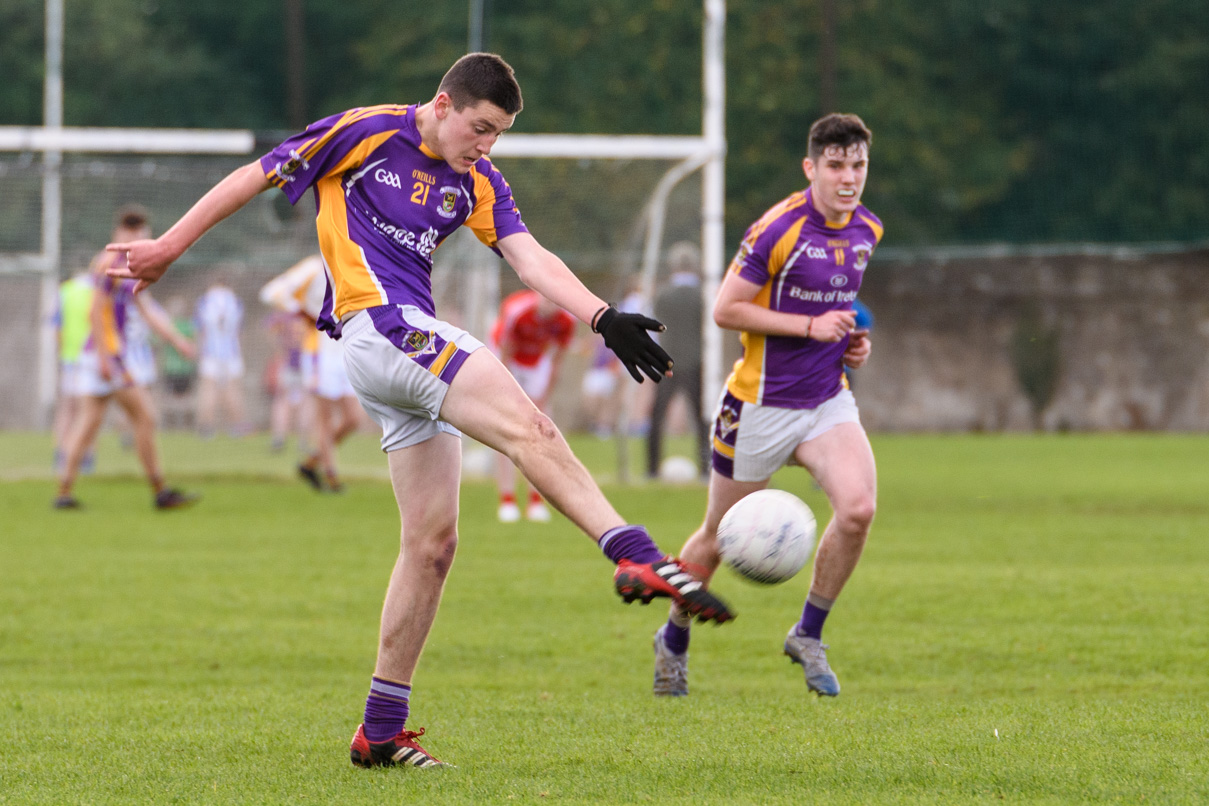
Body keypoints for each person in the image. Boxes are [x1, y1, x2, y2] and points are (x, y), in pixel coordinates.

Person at [106, 53, 734, 769]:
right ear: (442, 104)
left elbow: (529, 257)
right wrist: (168, 247)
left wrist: (600, 316)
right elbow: (256, 175)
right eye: (479, 127)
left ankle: (379, 728)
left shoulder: (478, 181)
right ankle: (633, 553)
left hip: (397, 356)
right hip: (380, 326)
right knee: (528, 426)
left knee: (432, 547)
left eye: (497, 134)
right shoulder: (366, 132)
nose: (485, 144)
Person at [650, 113, 881, 699]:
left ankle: (808, 633)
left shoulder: (867, 230)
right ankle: (673, 637)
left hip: (827, 400)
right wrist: (810, 325)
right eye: (835, 166)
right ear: (812, 168)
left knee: (857, 510)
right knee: (714, 537)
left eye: (857, 165)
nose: (848, 178)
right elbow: (726, 309)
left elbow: (840, 314)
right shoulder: (778, 228)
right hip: (758, 404)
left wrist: (853, 342)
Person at [54, 205, 199, 511]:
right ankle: (160, 490)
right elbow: (95, 310)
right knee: (145, 418)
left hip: (100, 355)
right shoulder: (108, 262)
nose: (137, 235)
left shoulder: (132, 265)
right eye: (131, 230)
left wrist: (177, 340)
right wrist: (107, 359)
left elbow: (145, 309)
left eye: (140, 230)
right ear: (120, 233)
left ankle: (64, 492)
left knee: (89, 422)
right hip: (107, 355)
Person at [260, 255, 364, 492]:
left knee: (353, 419)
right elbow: (272, 292)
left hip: (344, 351)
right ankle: (331, 476)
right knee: (324, 418)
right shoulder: (314, 267)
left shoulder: (356, 261)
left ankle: (311, 462)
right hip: (319, 352)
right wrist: (305, 312)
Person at [488, 288, 576, 522]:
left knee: (541, 430)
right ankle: (507, 499)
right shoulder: (517, 311)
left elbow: (557, 360)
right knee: (506, 429)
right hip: (505, 361)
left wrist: (543, 398)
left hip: (536, 364)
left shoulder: (566, 320)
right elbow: (504, 354)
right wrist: (508, 394)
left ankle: (535, 501)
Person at [646, 241, 709, 480]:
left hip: (667, 362)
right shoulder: (703, 295)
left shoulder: (663, 295)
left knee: (657, 416)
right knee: (702, 417)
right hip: (697, 362)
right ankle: (706, 467)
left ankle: (651, 468)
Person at [52, 268, 96, 474]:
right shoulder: (98, 290)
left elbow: (57, 328)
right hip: (91, 358)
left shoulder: (65, 291)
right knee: (88, 411)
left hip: (70, 359)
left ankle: (61, 455)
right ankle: (85, 457)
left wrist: (62, 354)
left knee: (67, 409)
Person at [195, 274, 248, 438]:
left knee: (208, 389)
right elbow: (239, 330)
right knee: (232, 389)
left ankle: (206, 428)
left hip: (210, 351)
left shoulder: (205, 300)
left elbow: (200, 329)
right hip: (232, 352)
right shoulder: (236, 301)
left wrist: (198, 349)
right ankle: (237, 426)